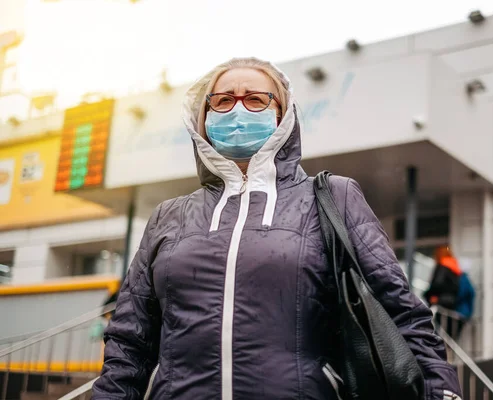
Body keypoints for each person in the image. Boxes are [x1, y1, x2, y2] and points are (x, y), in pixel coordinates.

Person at [92, 57, 461, 399]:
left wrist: (442, 391)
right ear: (201, 117)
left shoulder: (333, 197)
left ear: (283, 115)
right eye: (222, 101)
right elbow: (130, 340)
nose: (238, 108)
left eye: (256, 99)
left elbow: (399, 309)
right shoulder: (168, 216)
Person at [425, 246, 474, 340]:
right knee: (448, 337)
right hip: (452, 305)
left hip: (441, 303)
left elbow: (437, 284)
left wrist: (430, 295)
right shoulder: (455, 267)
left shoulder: (442, 266)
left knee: (438, 334)